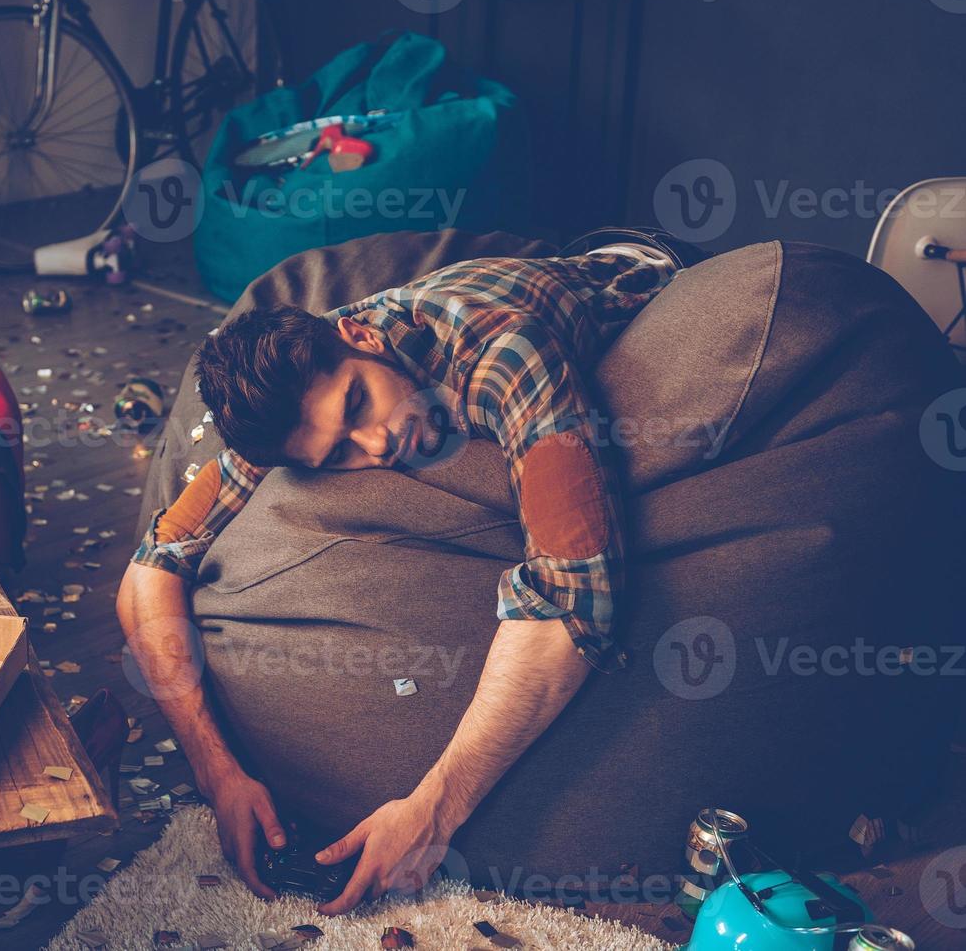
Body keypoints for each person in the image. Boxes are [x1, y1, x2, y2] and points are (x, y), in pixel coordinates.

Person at [116, 229, 704, 914]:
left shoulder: (503, 356)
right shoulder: (296, 405)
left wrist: (434, 810)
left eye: (358, 406)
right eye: (335, 456)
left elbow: (574, 600)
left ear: (360, 339)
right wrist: (218, 775)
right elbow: (150, 569)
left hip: (645, 271)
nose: (375, 447)